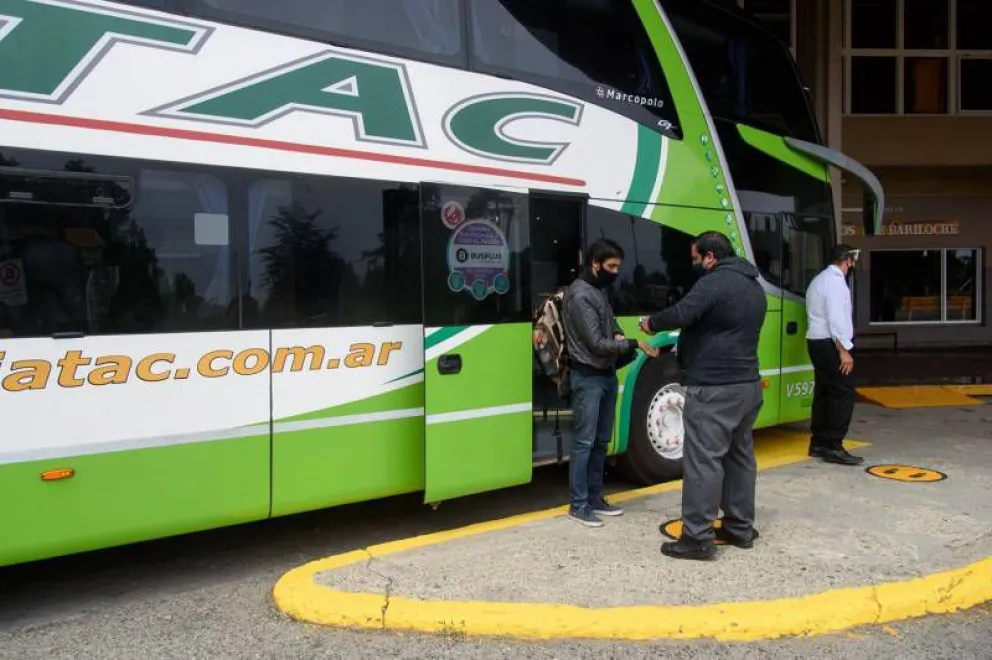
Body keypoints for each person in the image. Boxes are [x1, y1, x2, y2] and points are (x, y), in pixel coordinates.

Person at [639, 231, 767, 560]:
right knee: (740, 457)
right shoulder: (754, 286)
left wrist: (651, 323)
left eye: (696, 259)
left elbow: (683, 312)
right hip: (747, 385)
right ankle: (740, 527)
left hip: (715, 388)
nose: (695, 265)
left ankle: (697, 538)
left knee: (703, 461)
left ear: (710, 257)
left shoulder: (714, 282)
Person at [562, 238, 657, 528]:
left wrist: (617, 333)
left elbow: (610, 325)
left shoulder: (598, 291)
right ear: (595, 263)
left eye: (618, 266)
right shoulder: (580, 295)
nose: (616, 272)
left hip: (604, 376)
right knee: (584, 442)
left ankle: (595, 498)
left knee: (601, 441)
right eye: (611, 266)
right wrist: (631, 343)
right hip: (588, 377)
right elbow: (595, 343)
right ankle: (578, 505)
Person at [804, 244, 864, 466]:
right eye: (853, 260)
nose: (853, 265)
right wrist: (844, 351)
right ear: (847, 260)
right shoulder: (836, 282)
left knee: (824, 393)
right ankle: (833, 445)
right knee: (842, 393)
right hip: (831, 344)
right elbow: (837, 318)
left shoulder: (819, 279)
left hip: (816, 341)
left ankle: (818, 442)